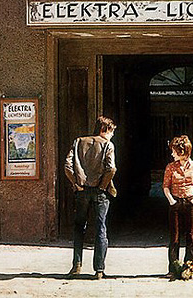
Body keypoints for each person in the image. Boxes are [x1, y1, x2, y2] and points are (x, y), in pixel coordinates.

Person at [64, 116, 117, 280]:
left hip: (82, 191)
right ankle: (99, 269)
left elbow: (67, 166)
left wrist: (76, 183)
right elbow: (111, 169)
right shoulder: (108, 145)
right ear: (104, 129)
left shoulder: (78, 142)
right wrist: (102, 186)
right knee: (101, 228)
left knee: (79, 227)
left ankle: (76, 265)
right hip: (100, 192)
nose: (112, 135)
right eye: (111, 132)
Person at [163, 135, 193, 278]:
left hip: (190, 202)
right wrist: (171, 201)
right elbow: (165, 186)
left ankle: (190, 266)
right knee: (174, 236)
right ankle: (173, 267)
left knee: (191, 235)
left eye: (174, 151)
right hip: (175, 202)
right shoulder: (170, 167)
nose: (172, 154)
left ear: (182, 152)